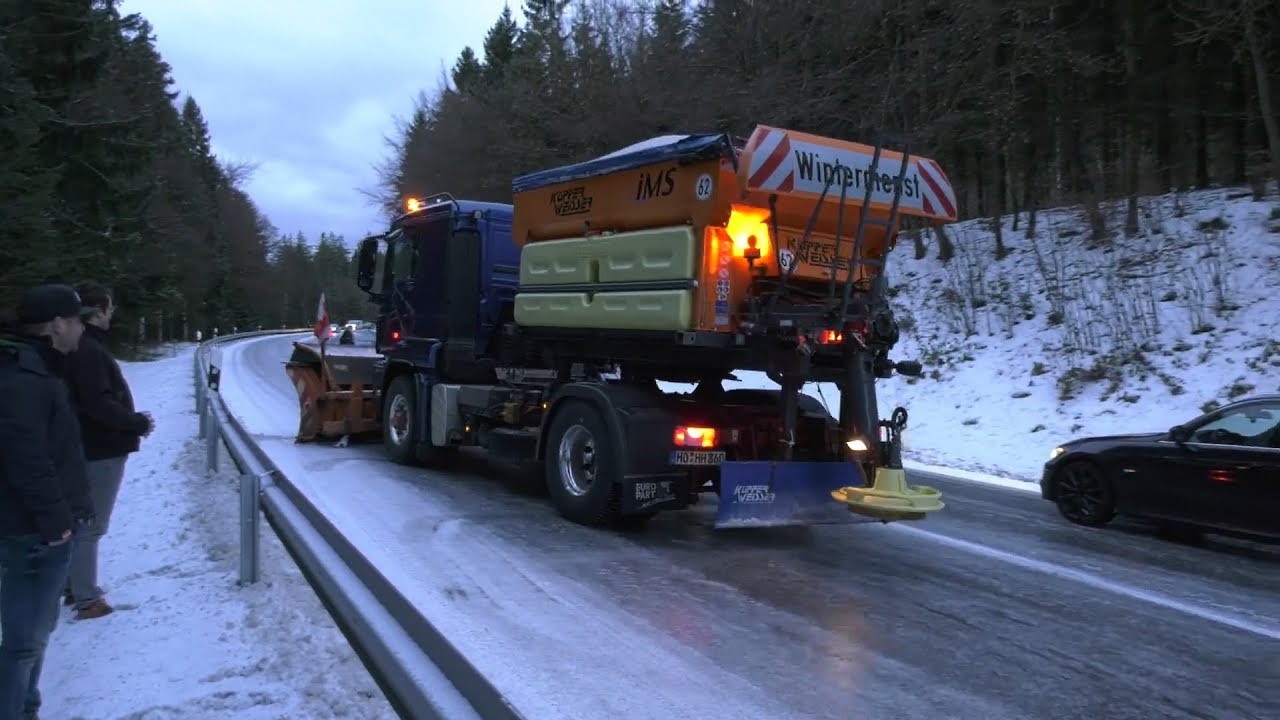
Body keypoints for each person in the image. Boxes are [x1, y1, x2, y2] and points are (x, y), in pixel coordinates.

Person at [0, 284, 95, 720]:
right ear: (58, 324)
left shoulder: (38, 368)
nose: (82, 328)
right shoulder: (23, 377)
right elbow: (25, 456)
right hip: (32, 531)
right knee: (24, 642)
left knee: (33, 638)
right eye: (78, 320)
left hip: (39, 526)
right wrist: (57, 519)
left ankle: (25, 707)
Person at [61, 281, 153, 620]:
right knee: (91, 524)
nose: (112, 314)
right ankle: (86, 597)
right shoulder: (88, 350)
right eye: (109, 307)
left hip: (87, 444)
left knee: (80, 520)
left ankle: (73, 585)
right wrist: (136, 423)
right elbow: (97, 402)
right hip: (99, 448)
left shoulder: (81, 346)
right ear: (98, 311)